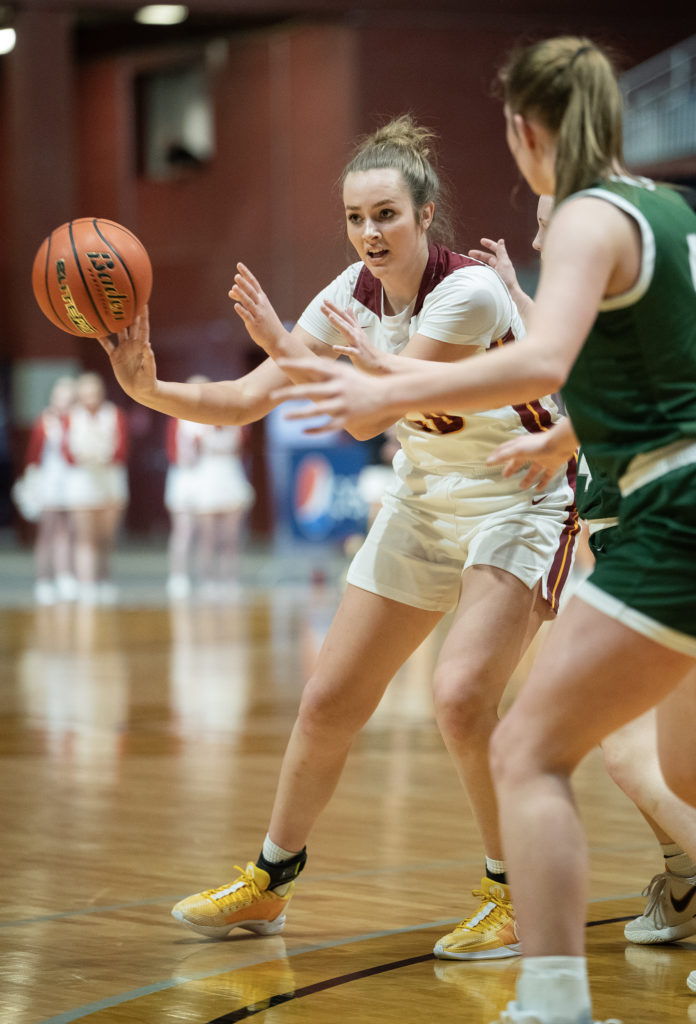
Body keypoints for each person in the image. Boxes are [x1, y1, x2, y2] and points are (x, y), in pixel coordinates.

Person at [273, 36, 696, 1024]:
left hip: (668, 511)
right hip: (660, 494)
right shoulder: (672, 208)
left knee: (527, 751)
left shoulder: (587, 213)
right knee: (675, 768)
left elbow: (546, 360)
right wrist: (569, 433)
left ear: (524, 129)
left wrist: (393, 382)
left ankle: (551, 1003)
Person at [98, 115, 579, 960]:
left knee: (460, 698)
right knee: (327, 701)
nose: (369, 233)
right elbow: (246, 400)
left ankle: (513, 892)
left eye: (386, 215)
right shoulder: (349, 291)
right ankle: (270, 880)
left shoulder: (469, 292)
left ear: (425, 214)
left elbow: (373, 410)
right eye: (355, 218)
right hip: (425, 498)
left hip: (520, 497)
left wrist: (283, 343)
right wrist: (150, 390)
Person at [474, 197, 696, 955]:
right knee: (663, 759)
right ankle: (683, 882)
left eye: (549, 221)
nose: (539, 237)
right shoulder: (634, 292)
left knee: (620, 752)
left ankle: (555, 988)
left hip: (654, 536)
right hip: (632, 539)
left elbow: (563, 371)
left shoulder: (634, 290)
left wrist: (391, 389)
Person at [164, 376, 255, 600]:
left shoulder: (234, 419)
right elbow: (180, 455)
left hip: (229, 477)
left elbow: (242, 447)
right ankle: (202, 579)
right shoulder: (181, 420)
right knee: (203, 535)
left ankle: (230, 580)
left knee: (231, 536)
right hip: (200, 478)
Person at [64, 372, 129, 604]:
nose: (91, 398)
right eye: (86, 393)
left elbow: (122, 448)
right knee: (85, 538)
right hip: (82, 481)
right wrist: (83, 457)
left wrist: (105, 456)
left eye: (94, 392)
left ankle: (104, 579)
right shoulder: (72, 417)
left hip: (109, 478)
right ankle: (86, 582)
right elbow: (66, 451)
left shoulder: (114, 414)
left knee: (105, 537)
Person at [14, 375, 78, 604]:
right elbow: (33, 456)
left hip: (70, 482)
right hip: (48, 482)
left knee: (67, 532)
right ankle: (43, 580)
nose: (64, 403)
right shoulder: (44, 422)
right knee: (47, 533)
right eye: (60, 397)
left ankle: (65, 575)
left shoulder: (75, 421)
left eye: (69, 399)